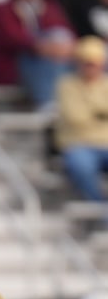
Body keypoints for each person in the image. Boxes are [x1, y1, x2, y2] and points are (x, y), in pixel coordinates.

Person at [0, 0, 75, 106]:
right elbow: (14, 38)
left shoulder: (50, 5)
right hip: (17, 66)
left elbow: (66, 32)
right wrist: (42, 46)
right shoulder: (2, 9)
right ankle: (50, 104)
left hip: (54, 59)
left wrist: (65, 47)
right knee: (43, 55)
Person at [54, 36, 108, 202]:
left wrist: (92, 112)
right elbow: (74, 116)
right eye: (86, 62)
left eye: (94, 63)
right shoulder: (66, 84)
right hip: (78, 144)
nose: (90, 67)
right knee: (81, 167)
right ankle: (101, 211)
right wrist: (101, 113)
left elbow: (84, 115)